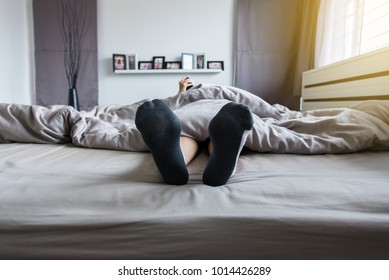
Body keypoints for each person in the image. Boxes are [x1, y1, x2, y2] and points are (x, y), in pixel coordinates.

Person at [135, 76, 254, 187]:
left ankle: (174, 165)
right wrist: (182, 91)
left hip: (189, 117)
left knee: (183, 138)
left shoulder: (218, 91)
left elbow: (171, 105)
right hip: (221, 115)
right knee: (220, 140)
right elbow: (257, 105)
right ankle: (220, 169)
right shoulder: (229, 93)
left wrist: (182, 93)